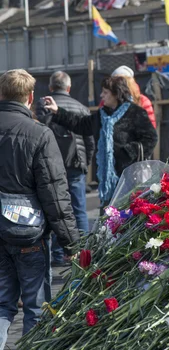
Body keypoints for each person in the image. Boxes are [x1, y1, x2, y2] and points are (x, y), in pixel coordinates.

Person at [0, 70, 80, 350]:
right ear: (31, 97)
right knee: (35, 304)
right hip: (27, 231)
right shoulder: (39, 133)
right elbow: (55, 194)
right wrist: (70, 242)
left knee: (2, 303)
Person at [43, 76, 158, 206]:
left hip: (130, 177)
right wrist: (57, 111)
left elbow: (151, 138)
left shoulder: (136, 113)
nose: (101, 95)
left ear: (116, 94)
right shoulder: (102, 114)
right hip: (107, 181)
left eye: (105, 92)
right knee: (109, 217)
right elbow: (80, 124)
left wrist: (127, 153)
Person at [35, 71, 95, 268]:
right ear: (68, 88)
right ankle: (83, 252)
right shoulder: (81, 108)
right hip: (75, 164)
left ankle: (58, 254)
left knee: (53, 208)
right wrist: (86, 162)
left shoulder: (43, 108)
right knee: (78, 209)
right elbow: (89, 140)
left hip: (50, 166)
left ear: (51, 88)